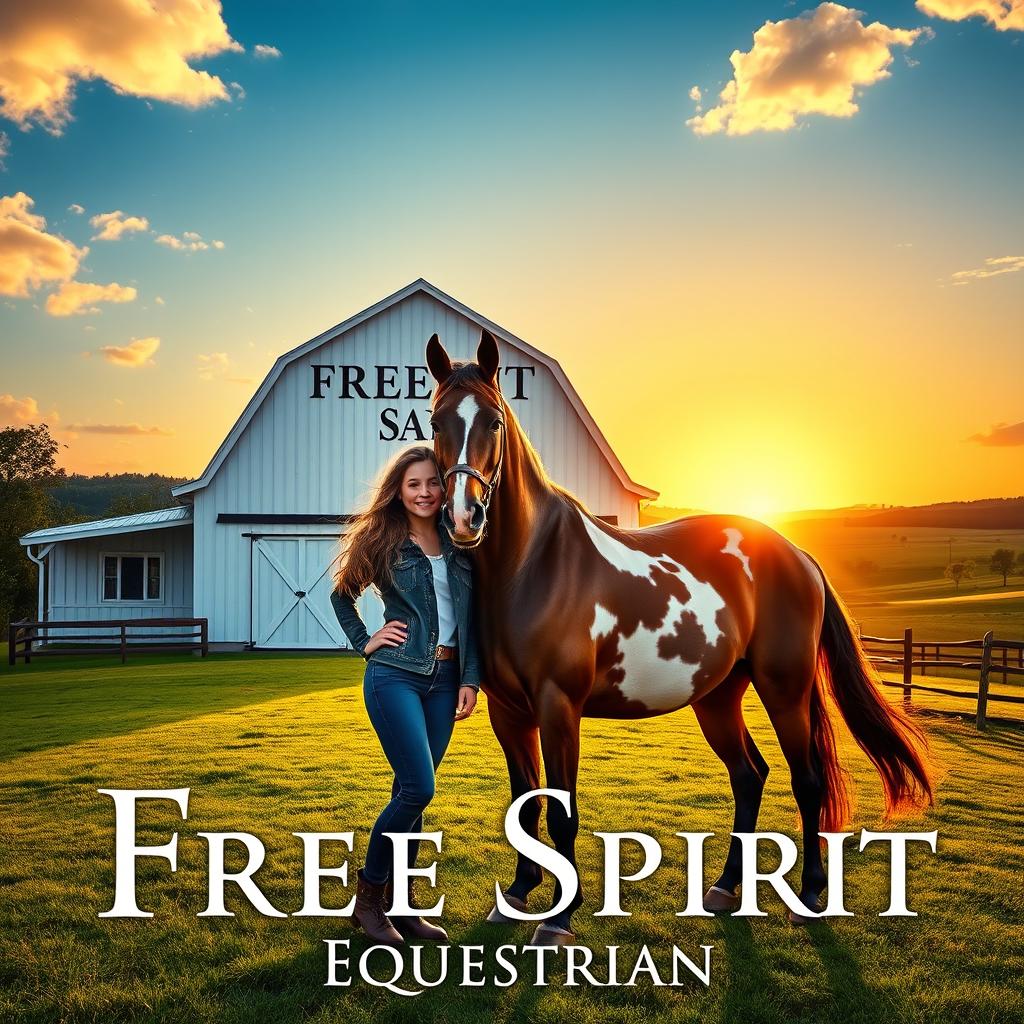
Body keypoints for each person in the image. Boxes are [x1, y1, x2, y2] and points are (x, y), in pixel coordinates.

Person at [331, 444, 481, 945]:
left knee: (410, 797)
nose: (424, 492)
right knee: (419, 788)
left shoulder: (460, 540)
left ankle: (402, 907)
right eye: (413, 484)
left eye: (431, 483)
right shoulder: (382, 540)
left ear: (445, 488)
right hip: (395, 675)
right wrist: (364, 641)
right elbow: (341, 594)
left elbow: (472, 620)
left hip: (445, 680)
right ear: (399, 490)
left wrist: (470, 678)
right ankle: (369, 900)